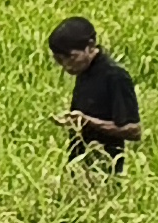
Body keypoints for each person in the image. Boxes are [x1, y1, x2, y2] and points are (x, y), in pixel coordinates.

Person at [48, 17, 140, 169]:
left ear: (90, 46)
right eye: (59, 60)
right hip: (79, 166)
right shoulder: (84, 72)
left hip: (105, 169)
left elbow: (133, 130)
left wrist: (88, 122)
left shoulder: (115, 76)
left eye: (71, 58)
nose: (66, 66)